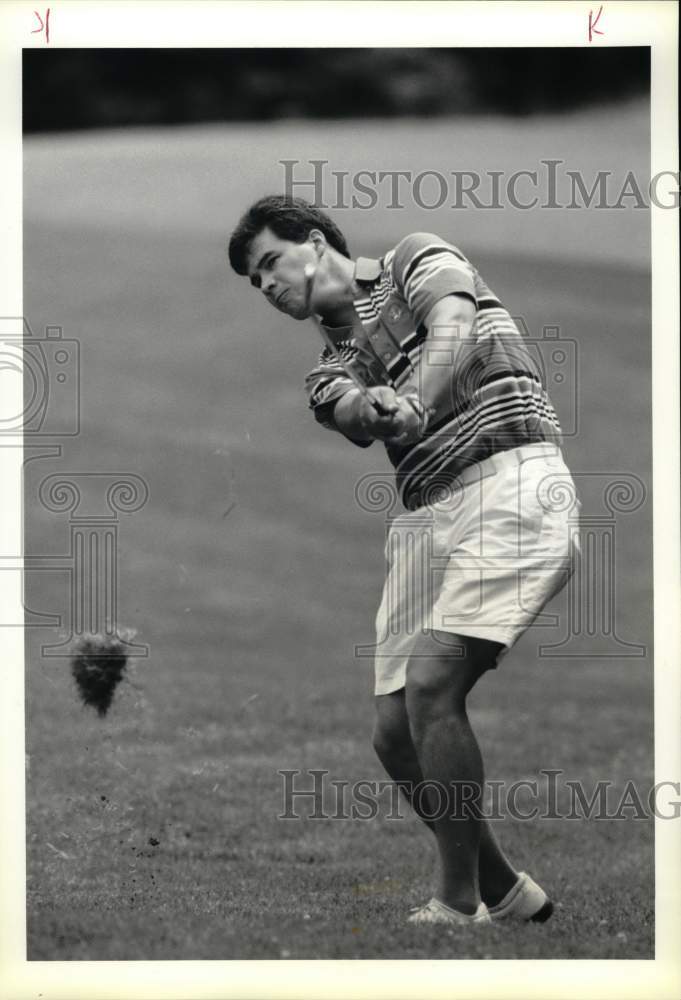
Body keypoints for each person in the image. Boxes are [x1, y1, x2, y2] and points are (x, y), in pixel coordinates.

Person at [228, 195, 580, 928]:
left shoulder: (412, 258)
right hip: (426, 519)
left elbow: (453, 324)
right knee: (393, 733)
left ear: (316, 243)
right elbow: (350, 412)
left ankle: (454, 907)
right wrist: (372, 406)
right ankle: (508, 893)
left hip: (511, 480)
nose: (265, 286)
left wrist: (414, 398)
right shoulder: (327, 373)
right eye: (254, 282)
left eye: (269, 263)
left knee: (430, 684)